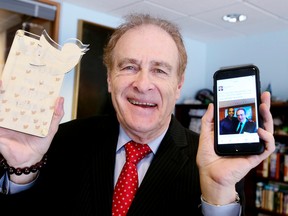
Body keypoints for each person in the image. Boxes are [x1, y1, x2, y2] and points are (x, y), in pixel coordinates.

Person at [0, 13, 275, 215]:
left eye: (159, 70)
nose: (143, 84)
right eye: (129, 67)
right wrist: (22, 173)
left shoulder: (214, 162)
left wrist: (217, 192)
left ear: (178, 85)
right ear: (109, 79)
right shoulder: (63, 141)